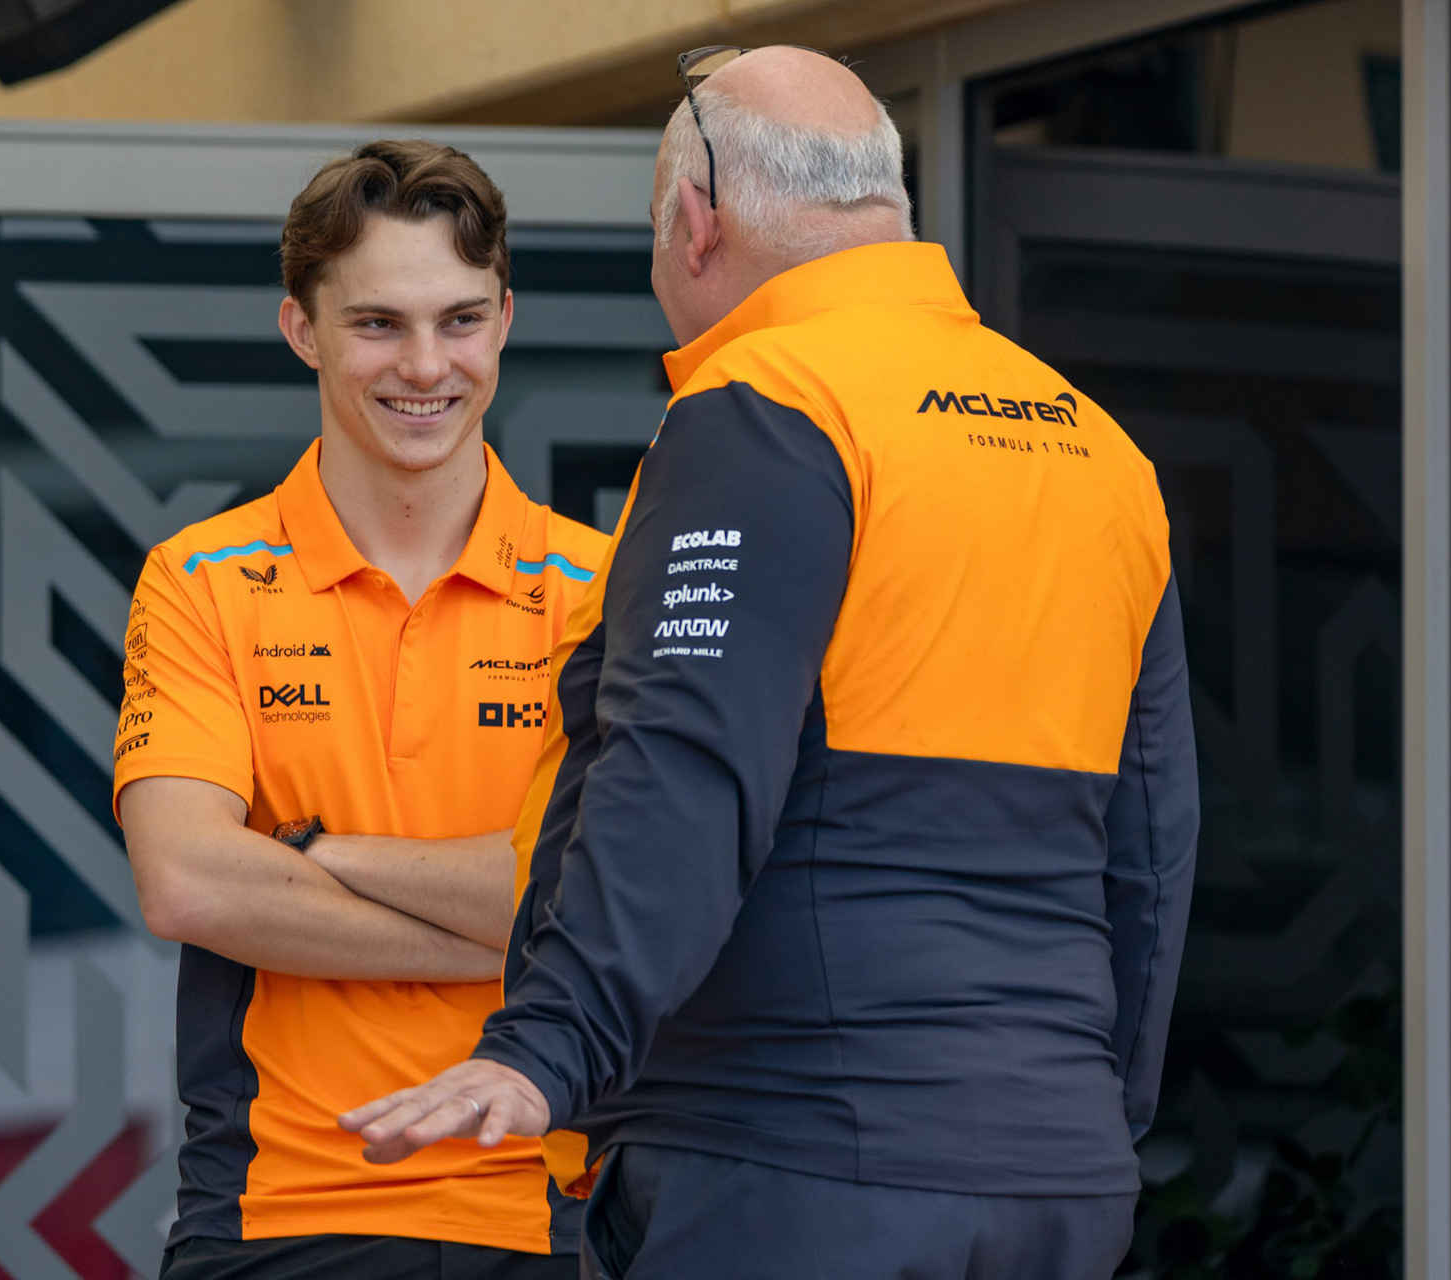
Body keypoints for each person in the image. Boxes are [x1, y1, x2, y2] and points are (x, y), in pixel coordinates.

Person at [340, 48, 1200, 1280]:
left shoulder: (771, 404)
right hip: (1053, 1178)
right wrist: (1089, 1121)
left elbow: (683, 764)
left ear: (697, 222)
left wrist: (547, 1048)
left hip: (788, 1158)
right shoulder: (1099, 449)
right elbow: (1153, 846)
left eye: (651, 230)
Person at [114, 139, 607, 1280]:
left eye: (461, 319)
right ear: (302, 329)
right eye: (378, 322)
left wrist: (309, 853)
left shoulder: (604, 590)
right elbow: (187, 880)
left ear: (506, 319)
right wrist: (510, 930)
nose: (427, 364)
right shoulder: (201, 577)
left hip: (548, 1209)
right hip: (278, 1209)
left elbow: (601, 891)